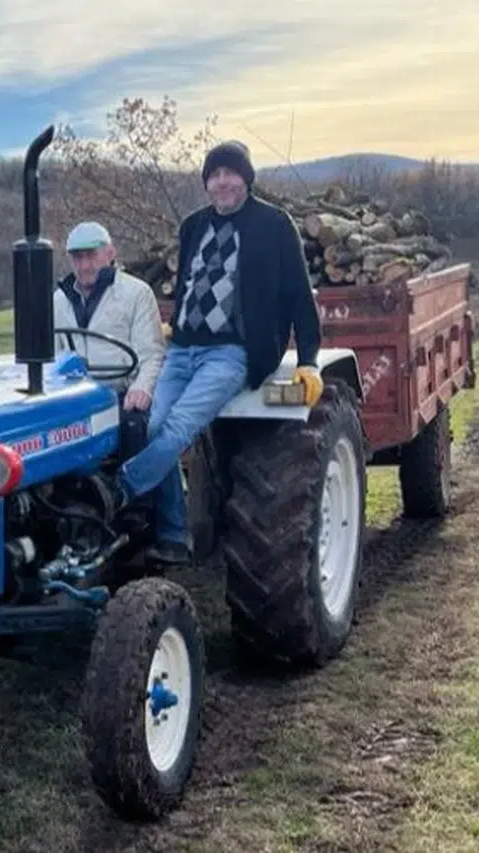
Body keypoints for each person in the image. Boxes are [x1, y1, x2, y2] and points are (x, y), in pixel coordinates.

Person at [106, 140, 324, 564]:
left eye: (231, 173)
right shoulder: (192, 226)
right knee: (148, 427)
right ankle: (173, 533)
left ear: (246, 178)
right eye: (215, 174)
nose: (223, 182)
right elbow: (190, 282)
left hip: (231, 354)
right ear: (207, 182)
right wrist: (179, 324)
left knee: (181, 428)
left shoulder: (274, 224)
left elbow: (299, 295)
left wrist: (309, 361)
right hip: (183, 349)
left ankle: (119, 492)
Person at [53, 221, 166, 414]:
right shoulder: (59, 300)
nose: (85, 265)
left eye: (92, 256)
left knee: (144, 425)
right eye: (78, 258)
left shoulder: (136, 293)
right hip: (75, 395)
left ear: (110, 254)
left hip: (120, 394)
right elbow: (53, 355)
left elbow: (152, 354)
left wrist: (142, 388)